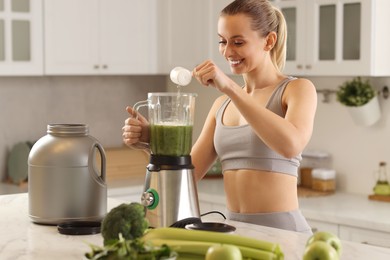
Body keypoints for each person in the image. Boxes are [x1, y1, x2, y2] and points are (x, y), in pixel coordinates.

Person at [122, 0, 317, 234]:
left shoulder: (297, 89)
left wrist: (230, 88)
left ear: (269, 40)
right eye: (222, 42)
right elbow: (187, 176)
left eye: (238, 42)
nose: (227, 51)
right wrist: (154, 141)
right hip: (236, 231)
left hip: (285, 233)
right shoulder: (221, 106)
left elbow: (291, 145)